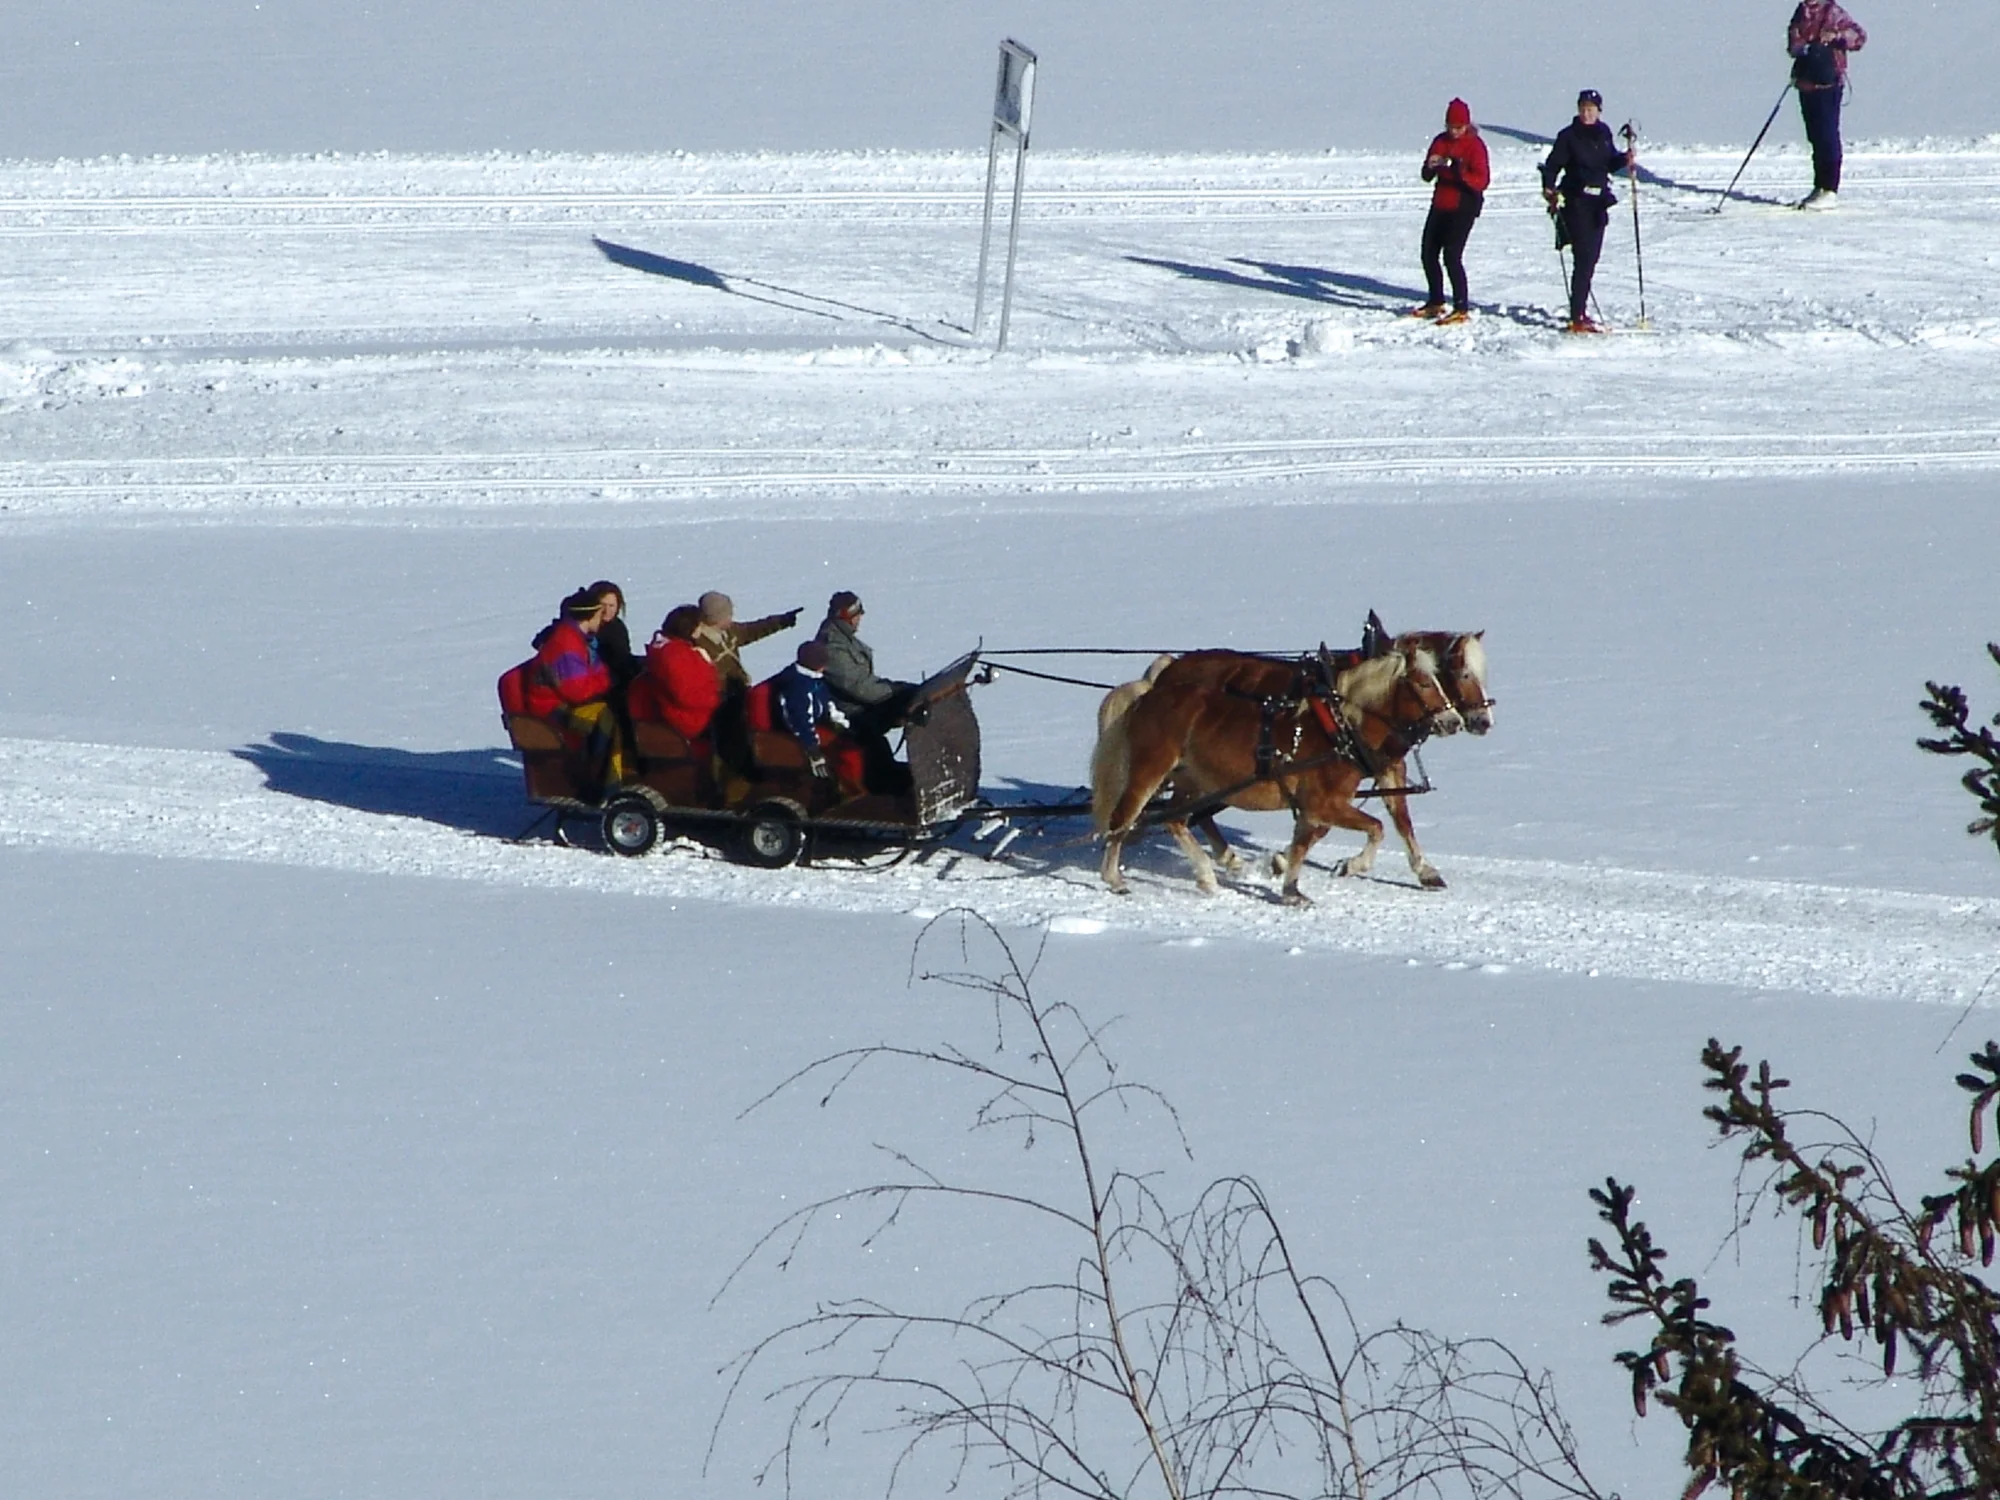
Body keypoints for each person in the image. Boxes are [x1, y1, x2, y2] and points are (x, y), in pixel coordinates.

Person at [1541, 89, 1635, 334]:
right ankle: (1577, 315)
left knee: (1591, 258)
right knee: (1583, 258)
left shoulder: (1603, 133)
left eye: (1591, 108)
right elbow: (1552, 166)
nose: (1586, 112)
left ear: (1599, 111)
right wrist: (1549, 188)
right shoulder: (1568, 136)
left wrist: (1625, 159)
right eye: (1583, 108)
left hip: (1598, 203)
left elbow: (1608, 162)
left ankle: (1579, 310)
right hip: (1576, 201)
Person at [526, 587, 628, 788]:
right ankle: (601, 785)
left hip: (565, 699)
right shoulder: (566, 644)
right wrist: (605, 681)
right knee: (607, 718)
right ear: (589, 617)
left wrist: (603, 680)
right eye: (600, 613)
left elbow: (598, 670)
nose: (603, 618)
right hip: (551, 706)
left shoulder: (581, 639)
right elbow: (578, 692)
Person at [814, 591, 916, 793]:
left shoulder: (842, 637)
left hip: (856, 706)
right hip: (847, 714)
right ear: (846, 617)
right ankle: (884, 786)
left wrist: (898, 690)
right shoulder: (832, 646)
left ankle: (893, 775)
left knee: (899, 710)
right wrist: (895, 692)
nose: (860, 619)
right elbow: (858, 686)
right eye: (856, 615)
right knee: (890, 715)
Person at [1411, 98, 1491, 325]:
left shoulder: (1475, 145)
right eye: (1450, 127)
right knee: (1428, 253)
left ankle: (1461, 306)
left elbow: (1482, 180)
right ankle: (1435, 300)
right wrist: (1430, 166)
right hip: (1441, 203)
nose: (1454, 131)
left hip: (1464, 205)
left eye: (1459, 127)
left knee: (1452, 256)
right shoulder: (1440, 142)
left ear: (1466, 125)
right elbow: (1427, 177)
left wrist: (1457, 171)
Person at [1788, 0, 1866, 210]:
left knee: (1827, 135)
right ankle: (1819, 186)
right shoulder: (1801, 12)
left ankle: (1830, 189)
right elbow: (1792, 42)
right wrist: (1802, 47)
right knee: (1815, 137)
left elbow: (1858, 37)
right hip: (1807, 82)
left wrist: (1836, 37)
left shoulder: (1833, 12)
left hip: (1828, 83)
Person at [769, 641, 867, 793]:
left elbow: (828, 705)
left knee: (857, 744)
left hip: (818, 727)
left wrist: (841, 724)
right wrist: (813, 750)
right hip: (802, 736)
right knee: (848, 754)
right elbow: (799, 720)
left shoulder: (814, 680)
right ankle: (851, 790)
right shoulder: (798, 686)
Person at [628, 604, 725, 751]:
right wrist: (715, 699)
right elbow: (685, 695)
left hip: (684, 712)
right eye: (699, 625)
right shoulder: (675, 655)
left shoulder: (675, 650)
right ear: (690, 628)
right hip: (688, 718)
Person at [692, 591, 802, 689]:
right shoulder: (699, 644)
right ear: (716, 619)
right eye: (728, 614)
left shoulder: (730, 631)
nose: (731, 617)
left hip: (741, 689)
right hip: (722, 699)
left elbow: (753, 630)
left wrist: (781, 621)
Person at [585, 581, 642, 689]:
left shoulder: (617, 627)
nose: (607, 611)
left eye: (611, 606)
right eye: (603, 605)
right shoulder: (586, 628)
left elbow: (623, 657)